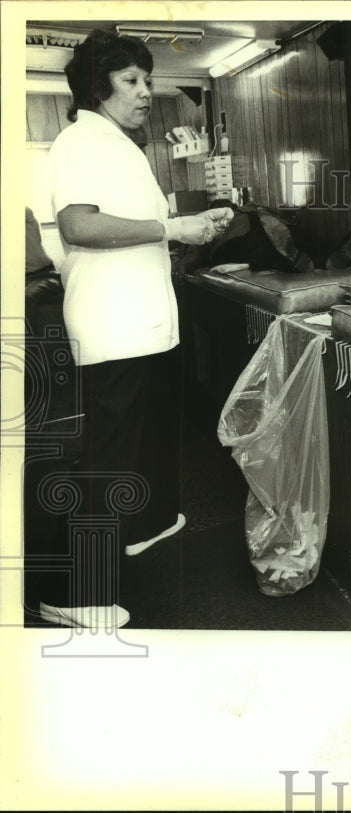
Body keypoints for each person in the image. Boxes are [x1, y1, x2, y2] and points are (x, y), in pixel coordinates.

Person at [38, 29, 234, 629]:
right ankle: (69, 593)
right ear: (99, 89)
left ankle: (142, 528)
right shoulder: (79, 140)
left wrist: (194, 228)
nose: (147, 91)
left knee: (146, 446)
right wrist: (175, 231)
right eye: (132, 81)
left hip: (147, 326)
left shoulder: (121, 145)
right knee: (107, 459)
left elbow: (139, 232)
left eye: (147, 80)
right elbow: (79, 227)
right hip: (113, 326)